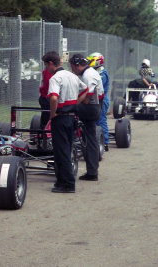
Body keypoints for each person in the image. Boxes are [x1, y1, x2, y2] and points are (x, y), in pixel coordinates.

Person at [44, 51, 88, 193]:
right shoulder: (72, 76)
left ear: (51, 64)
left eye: (46, 65)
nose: (46, 69)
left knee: (61, 151)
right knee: (67, 149)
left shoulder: (55, 78)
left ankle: (68, 184)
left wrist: (52, 114)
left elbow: (54, 98)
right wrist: (75, 104)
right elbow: (86, 89)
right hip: (71, 117)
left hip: (61, 117)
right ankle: (61, 181)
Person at [70, 54, 103, 182]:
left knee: (65, 112)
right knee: (90, 139)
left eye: (73, 67)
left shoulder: (88, 75)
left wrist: (75, 104)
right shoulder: (90, 72)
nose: (72, 70)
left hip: (91, 108)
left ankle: (68, 139)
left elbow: (88, 95)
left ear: (78, 65)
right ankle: (92, 171)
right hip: (94, 108)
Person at [88, 52, 110, 152]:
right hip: (95, 98)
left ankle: (105, 141)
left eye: (91, 60)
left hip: (102, 99)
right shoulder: (94, 72)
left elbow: (97, 85)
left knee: (101, 120)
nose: (89, 62)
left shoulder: (102, 74)